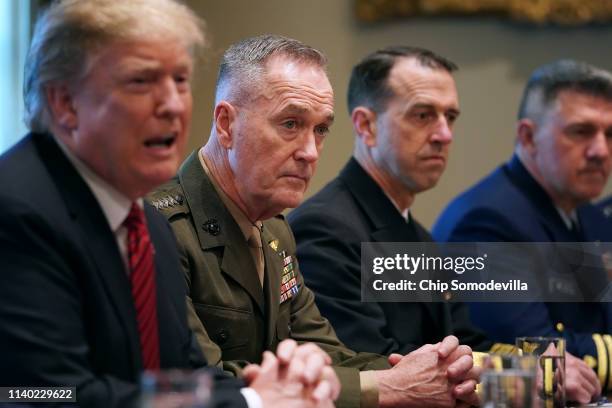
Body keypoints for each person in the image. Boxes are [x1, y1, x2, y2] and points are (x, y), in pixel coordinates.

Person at [0, 2, 339, 407]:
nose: (174, 105)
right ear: (65, 104)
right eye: (141, 81)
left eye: (179, 80)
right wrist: (254, 401)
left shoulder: (145, 225)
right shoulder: (16, 210)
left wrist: (284, 387)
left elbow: (186, 376)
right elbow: (41, 395)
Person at [149, 35, 479, 408]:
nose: (309, 152)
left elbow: (325, 352)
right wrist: (389, 387)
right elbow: (204, 384)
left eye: (320, 129)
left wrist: (431, 375)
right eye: (290, 123)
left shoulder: (274, 230)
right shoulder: (159, 229)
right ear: (226, 124)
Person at [433, 59, 612, 400]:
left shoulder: (588, 215)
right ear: (528, 137)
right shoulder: (487, 222)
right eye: (581, 131)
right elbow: (537, 352)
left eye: (610, 134)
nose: (600, 151)